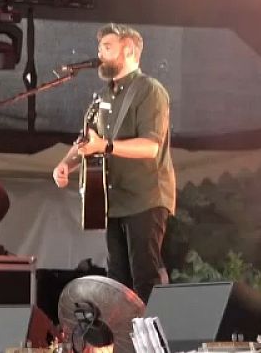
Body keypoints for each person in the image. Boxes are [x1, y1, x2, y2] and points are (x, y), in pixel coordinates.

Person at [53, 23, 176, 303]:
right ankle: (122, 330)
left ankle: (150, 330)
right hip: (114, 199)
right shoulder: (104, 96)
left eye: (107, 47)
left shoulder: (149, 90)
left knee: (144, 275)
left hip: (145, 197)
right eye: (100, 48)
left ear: (129, 50)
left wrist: (106, 146)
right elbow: (88, 140)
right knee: (117, 280)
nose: (100, 53)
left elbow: (150, 147)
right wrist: (66, 164)